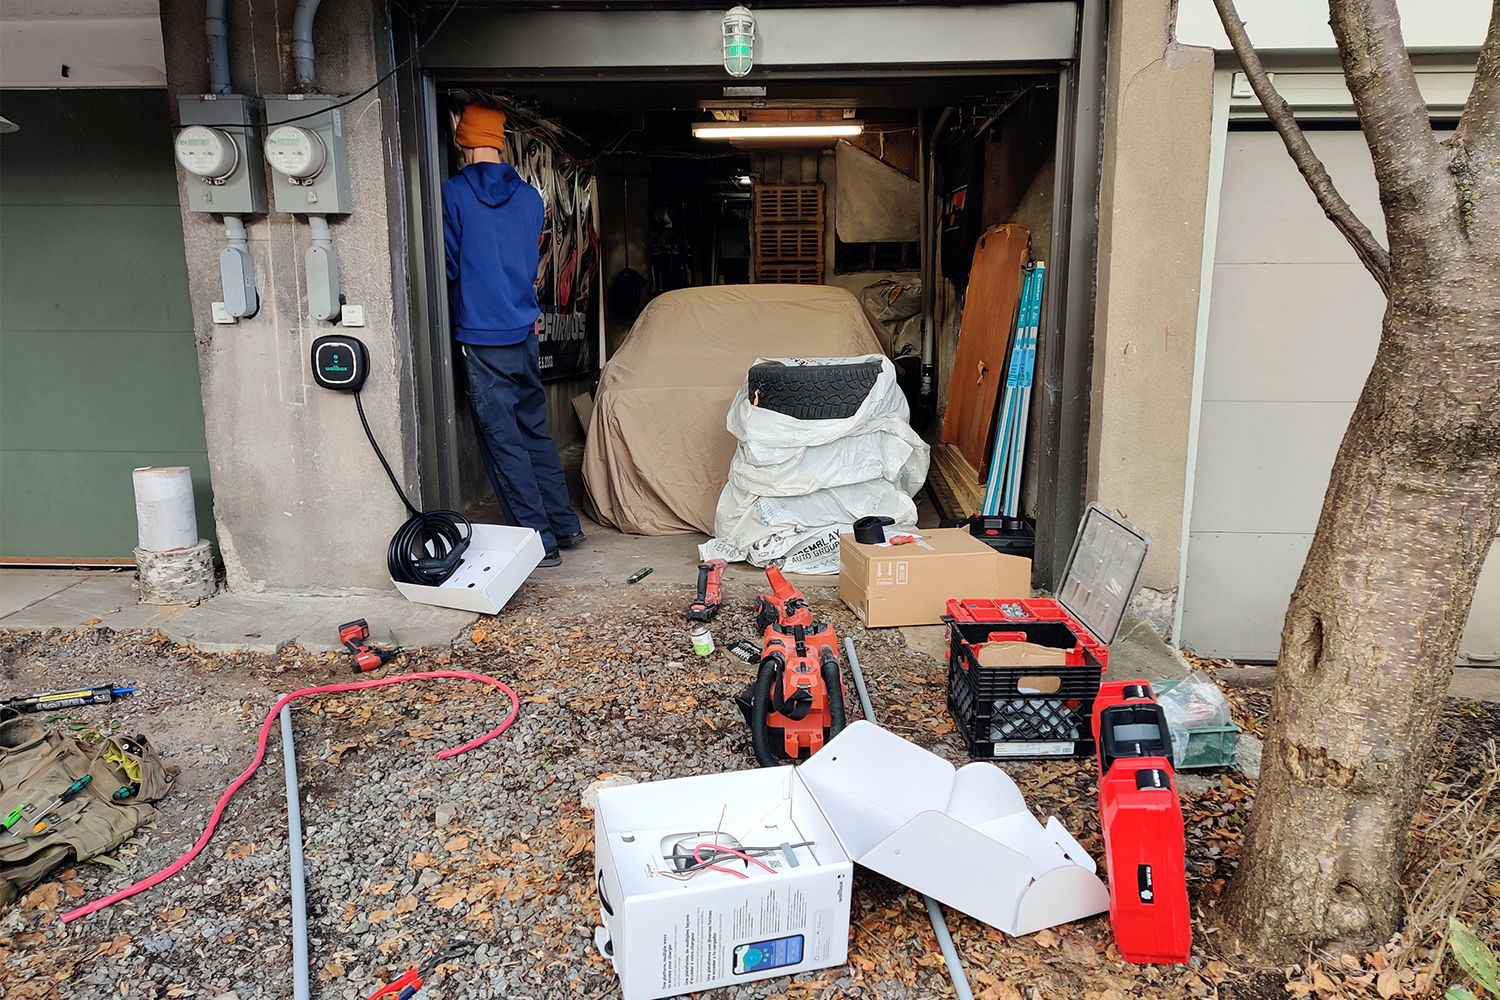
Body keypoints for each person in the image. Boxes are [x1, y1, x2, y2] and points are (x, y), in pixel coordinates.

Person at [442, 104, 584, 567]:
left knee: (503, 442)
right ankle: (565, 526)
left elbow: (446, 264)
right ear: (500, 142)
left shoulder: (453, 194)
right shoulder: (529, 199)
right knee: (534, 432)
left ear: (463, 143)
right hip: (523, 332)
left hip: (481, 337)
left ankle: (538, 542)